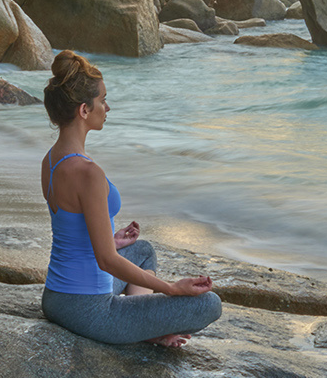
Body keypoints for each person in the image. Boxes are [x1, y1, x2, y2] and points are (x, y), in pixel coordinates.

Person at [39, 50, 221, 347]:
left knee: (143, 250)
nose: (107, 107)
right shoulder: (88, 173)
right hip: (89, 310)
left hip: (57, 297)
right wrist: (171, 288)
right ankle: (147, 333)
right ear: (84, 110)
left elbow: (75, 235)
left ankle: (142, 328)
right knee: (209, 305)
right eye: (102, 100)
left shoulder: (51, 160)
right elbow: (106, 260)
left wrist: (111, 239)